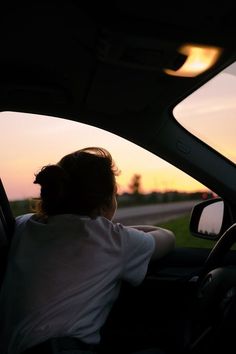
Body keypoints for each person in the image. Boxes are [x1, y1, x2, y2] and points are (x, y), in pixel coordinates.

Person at [0, 147, 175, 354]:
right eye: (115, 194)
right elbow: (167, 238)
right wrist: (120, 232)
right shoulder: (112, 239)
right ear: (104, 203)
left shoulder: (23, 225)